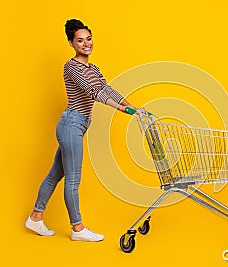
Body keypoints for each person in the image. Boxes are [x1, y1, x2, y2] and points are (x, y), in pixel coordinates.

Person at [25, 19, 141, 242]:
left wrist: (132, 106)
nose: (86, 44)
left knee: (55, 175)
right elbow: (92, 92)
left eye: (88, 39)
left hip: (79, 125)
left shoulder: (93, 68)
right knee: (73, 179)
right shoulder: (71, 67)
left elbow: (105, 88)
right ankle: (77, 229)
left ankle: (35, 217)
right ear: (71, 43)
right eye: (80, 41)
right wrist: (121, 109)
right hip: (72, 124)